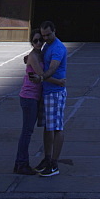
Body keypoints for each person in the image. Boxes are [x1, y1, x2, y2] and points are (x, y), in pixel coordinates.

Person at [32, 20, 67, 177]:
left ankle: (54, 163)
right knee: (48, 127)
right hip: (47, 91)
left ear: (54, 31)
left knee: (57, 127)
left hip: (55, 92)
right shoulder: (47, 45)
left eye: (48, 34)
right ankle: (47, 158)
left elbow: (52, 68)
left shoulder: (58, 48)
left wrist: (41, 77)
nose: (45, 38)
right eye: (43, 35)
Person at [14, 30, 44, 175]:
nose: (38, 43)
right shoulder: (33, 56)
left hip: (34, 96)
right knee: (27, 132)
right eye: (35, 41)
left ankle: (19, 163)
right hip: (29, 97)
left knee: (27, 131)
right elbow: (41, 73)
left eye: (40, 40)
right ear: (31, 42)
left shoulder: (38, 54)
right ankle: (21, 164)